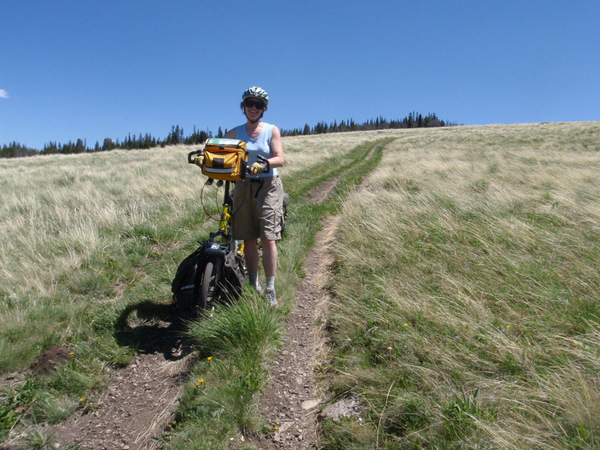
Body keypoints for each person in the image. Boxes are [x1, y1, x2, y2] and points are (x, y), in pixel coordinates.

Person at [224, 86, 285, 306]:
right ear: (243, 106)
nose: (253, 108)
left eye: (258, 105)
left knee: (268, 238)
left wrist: (264, 163)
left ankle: (270, 288)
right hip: (243, 186)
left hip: (268, 185)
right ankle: (253, 284)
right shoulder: (235, 132)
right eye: (249, 103)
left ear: (264, 109)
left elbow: (280, 158)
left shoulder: (271, 130)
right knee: (249, 237)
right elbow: (221, 150)